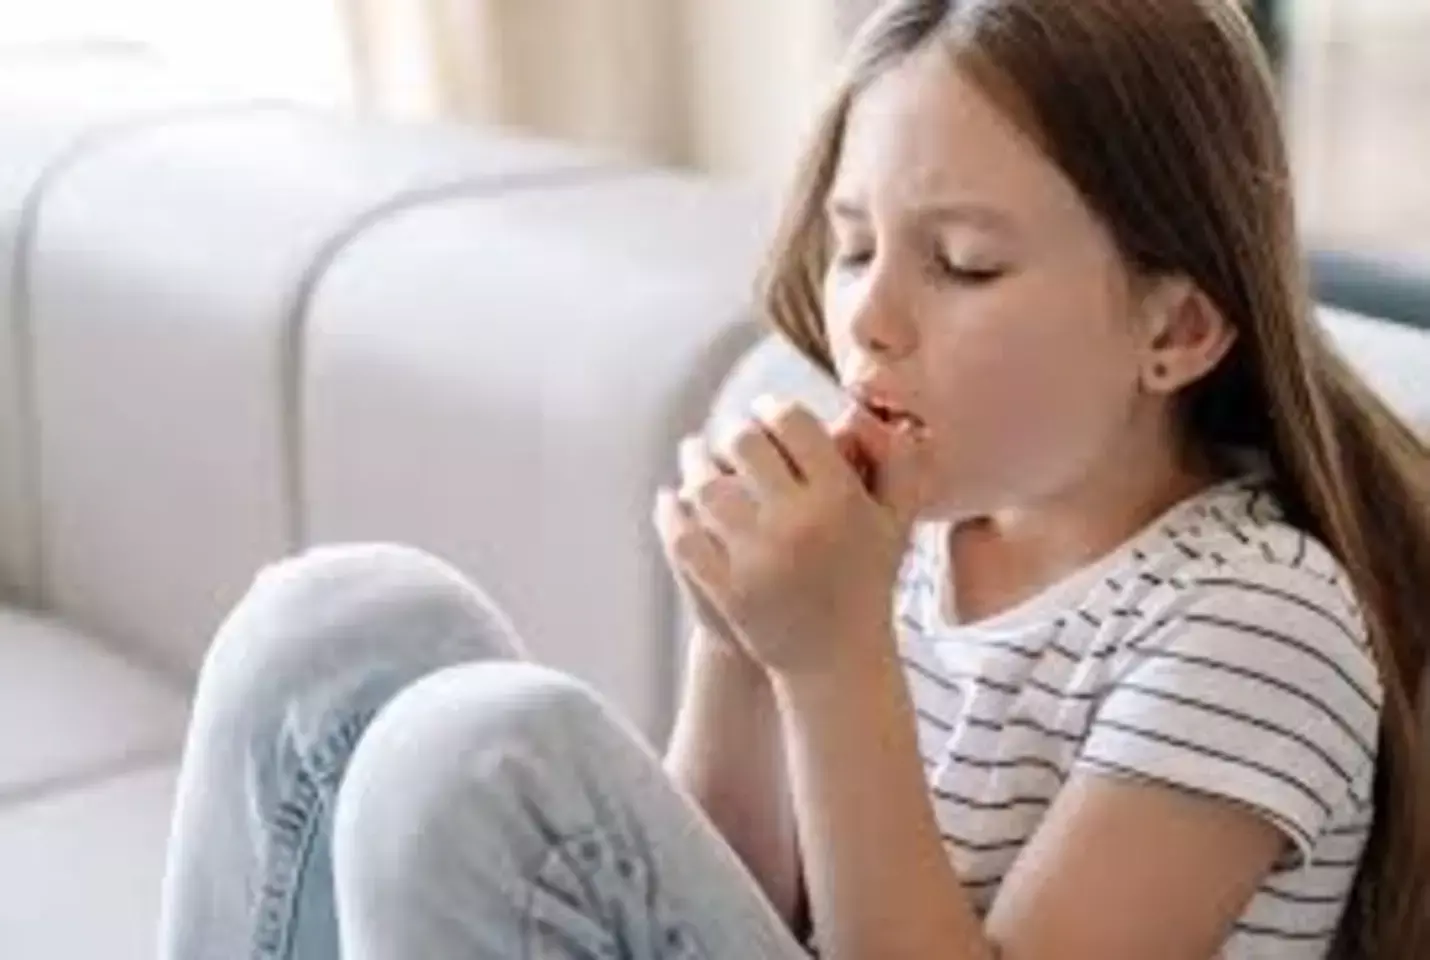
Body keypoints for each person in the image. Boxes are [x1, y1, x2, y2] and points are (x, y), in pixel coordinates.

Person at [157, 1, 1430, 957]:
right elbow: (733, 901)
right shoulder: (912, 525)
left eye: (963, 263)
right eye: (855, 246)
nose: (865, 318)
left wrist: (830, 658)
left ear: (1175, 329)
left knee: (479, 758)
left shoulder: (1254, 621)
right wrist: (738, 643)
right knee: (337, 624)